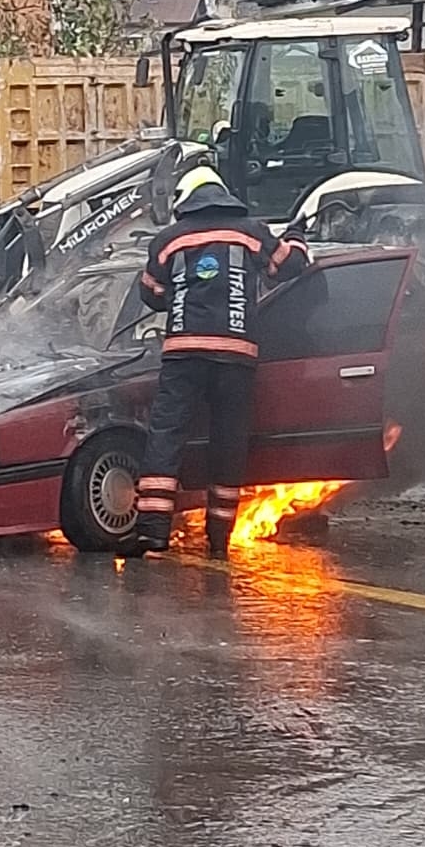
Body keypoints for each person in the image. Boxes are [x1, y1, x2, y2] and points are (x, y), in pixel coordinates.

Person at [124, 166, 310, 560]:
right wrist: (296, 237)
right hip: (235, 356)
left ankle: (153, 531)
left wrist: (183, 290)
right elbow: (289, 267)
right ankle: (219, 538)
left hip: (182, 355)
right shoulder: (251, 231)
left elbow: (151, 294)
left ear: (186, 200)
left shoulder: (168, 240)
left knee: (166, 436)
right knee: (228, 442)